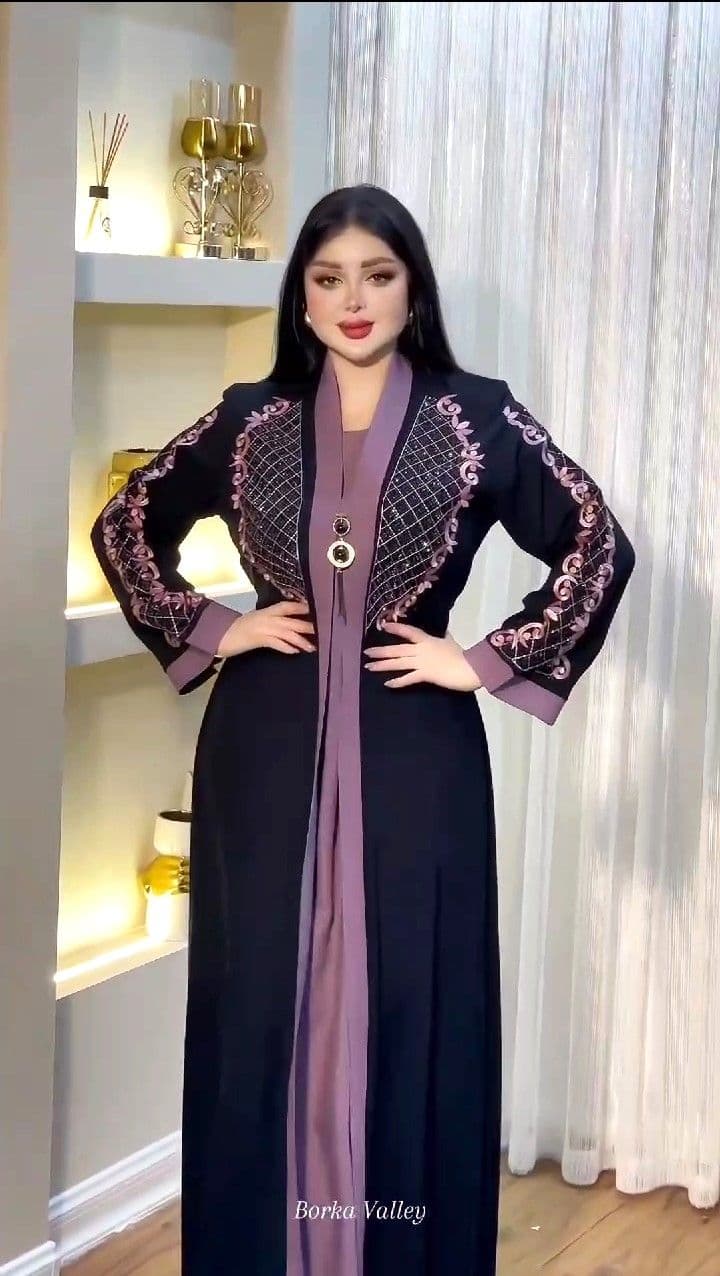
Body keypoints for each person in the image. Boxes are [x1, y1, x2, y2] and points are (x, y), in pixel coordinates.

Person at [90, 183, 636, 1276]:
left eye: (377, 277)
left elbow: (597, 543)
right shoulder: (250, 418)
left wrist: (479, 658)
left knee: (412, 994)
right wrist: (220, 627)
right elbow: (125, 523)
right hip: (265, 749)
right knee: (261, 1001)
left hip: (413, 752)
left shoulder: (475, 415)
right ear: (301, 296)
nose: (353, 300)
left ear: (411, 289)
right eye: (329, 277)